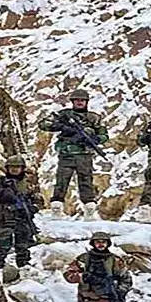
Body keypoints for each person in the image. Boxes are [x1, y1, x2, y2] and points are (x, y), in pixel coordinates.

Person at [38, 88, 109, 220]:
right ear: (72, 102)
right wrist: (62, 127)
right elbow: (43, 124)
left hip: (84, 155)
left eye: (82, 100)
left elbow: (104, 135)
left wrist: (96, 139)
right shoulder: (64, 114)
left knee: (86, 183)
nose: (80, 103)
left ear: (86, 102)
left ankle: (89, 212)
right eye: (77, 100)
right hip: (67, 154)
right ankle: (56, 210)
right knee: (61, 182)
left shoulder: (93, 118)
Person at [63, 232, 132, 302]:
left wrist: (119, 292)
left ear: (108, 244)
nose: (100, 244)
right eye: (97, 242)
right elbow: (68, 275)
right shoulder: (84, 259)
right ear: (93, 243)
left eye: (103, 242)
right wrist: (82, 277)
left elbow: (126, 279)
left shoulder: (115, 260)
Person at [0, 155, 44, 273]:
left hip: (22, 216)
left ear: (22, 168)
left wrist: (33, 208)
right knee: (2, 243)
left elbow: (39, 200)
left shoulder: (28, 183)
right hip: (5, 215)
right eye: (12, 167)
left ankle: (23, 266)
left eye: (17, 167)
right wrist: (0, 193)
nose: (14, 169)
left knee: (23, 243)